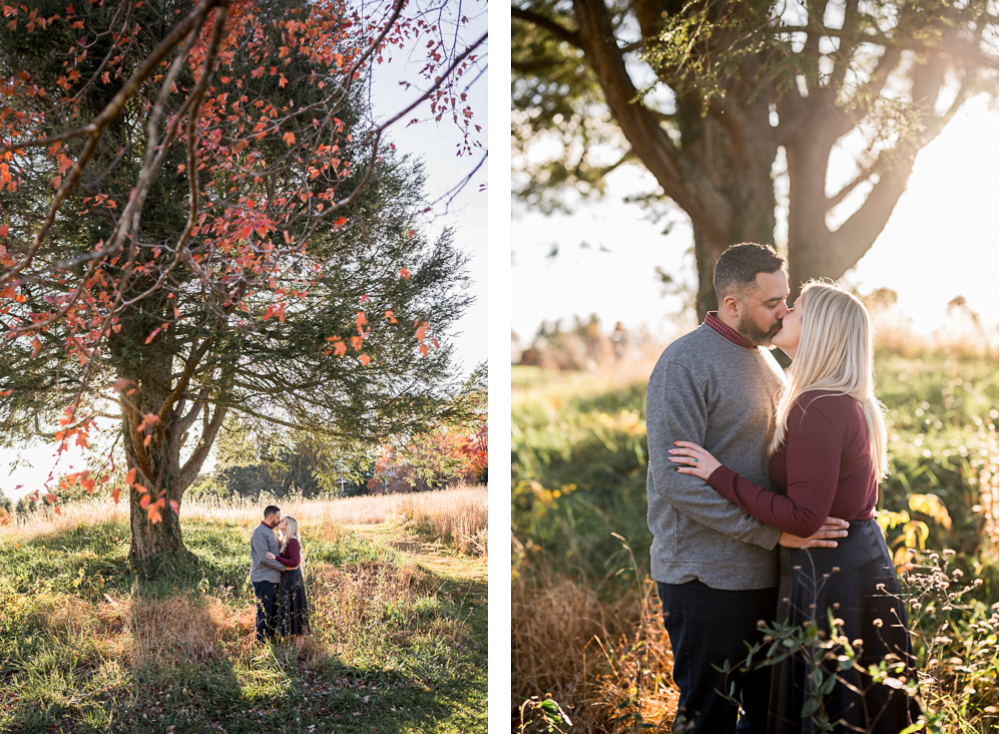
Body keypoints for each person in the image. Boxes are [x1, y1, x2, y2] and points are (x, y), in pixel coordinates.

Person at [669, 281, 920, 732]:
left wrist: (717, 472)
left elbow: (805, 518)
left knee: (829, 708)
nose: (784, 313)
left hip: (830, 576)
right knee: (857, 706)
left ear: (819, 331)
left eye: (796, 310)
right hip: (855, 564)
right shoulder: (839, 399)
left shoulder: (817, 405)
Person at [646, 243, 849, 734]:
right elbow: (676, 483)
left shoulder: (767, 361)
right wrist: (772, 536)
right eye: (771, 303)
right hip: (704, 577)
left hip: (769, 573)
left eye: (786, 299)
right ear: (733, 304)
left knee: (767, 715)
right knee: (706, 717)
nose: (784, 311)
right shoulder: (684, 363)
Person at [267, 515, 310, 649]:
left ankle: (298, 648)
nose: (279, 521)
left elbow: (295, 562)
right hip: (285, 578)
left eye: (282, 520)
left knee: (296, 608)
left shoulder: (292, 541)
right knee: (285, 608)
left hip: (293, 580)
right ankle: (285, 646)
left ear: (288, 525)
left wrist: (276, 558)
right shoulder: (283, 540)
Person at [250, 505, 286, 644]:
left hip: (273, 579)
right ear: (270, 518)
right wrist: (284, 568)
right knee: (264, 612)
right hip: (263, 579)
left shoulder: (271, 532)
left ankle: (270, 643)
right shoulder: (259, 532)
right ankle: (260, 643)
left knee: (273, 612)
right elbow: (264, 558)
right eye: (277, 517)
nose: (279, 519)